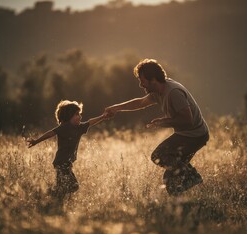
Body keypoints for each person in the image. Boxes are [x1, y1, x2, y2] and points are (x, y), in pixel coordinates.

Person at [105, 58, 209, 196]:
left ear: (153, 79)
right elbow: (140, 103)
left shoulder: (173, 92)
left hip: (195, 135)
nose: (141, 85)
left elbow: (188, 120)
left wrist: (164, 122)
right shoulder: (158, 91)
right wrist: (116, 108)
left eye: (142, 80)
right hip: (188, 134)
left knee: (158, 155)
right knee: (170, 179)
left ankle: (192, 176)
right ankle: (184, 206)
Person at [27, 100, 108, 202]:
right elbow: (50, 134)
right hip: (61, 163)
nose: (80, 116)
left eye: (79, 114)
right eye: (76, 114)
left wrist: (102, 117)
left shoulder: (79, 128)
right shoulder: (63, 128)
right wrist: (36, 141)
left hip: (66, 163)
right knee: (73, 186)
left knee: (62, 187)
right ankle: (45, 194)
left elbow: (90, 122)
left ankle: (47, 197)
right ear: (68, 116)